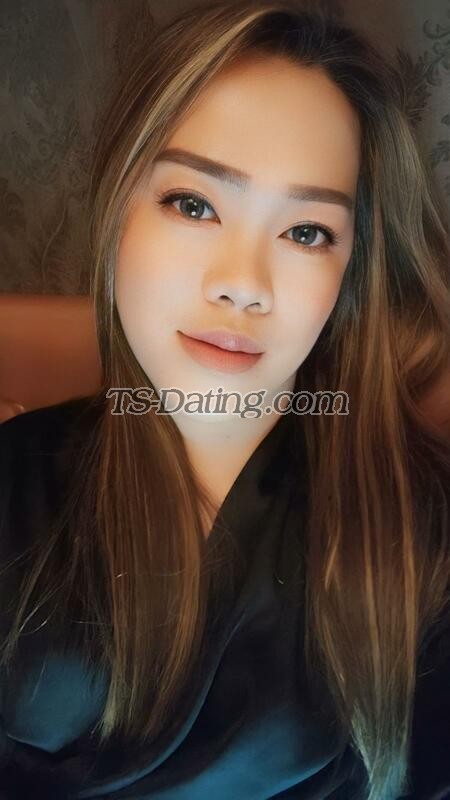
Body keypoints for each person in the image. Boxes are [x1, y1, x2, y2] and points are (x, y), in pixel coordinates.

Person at [0, 1, 449, 798]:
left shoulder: (427, 527)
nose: (243, 284)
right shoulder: (12, 475)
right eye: (194, 204)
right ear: (117, 206)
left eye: (306, 232)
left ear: (349, 269)